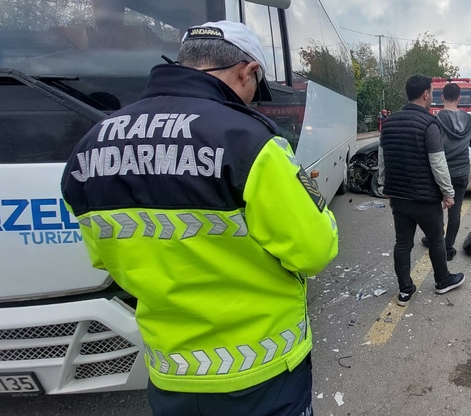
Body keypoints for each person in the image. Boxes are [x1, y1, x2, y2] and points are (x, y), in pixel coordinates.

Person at [61, 21, 338, 416]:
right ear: (247, 71)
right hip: (259, 373)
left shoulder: (91, 144)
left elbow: (105, 256)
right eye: (253, 90)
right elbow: (315, 251)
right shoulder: (249, 140)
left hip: (169, 372)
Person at [378, 75, 465, 306]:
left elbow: (383, 157)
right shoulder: (429, 123)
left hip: (399, 197)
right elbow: (438, 162)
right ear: (426, 94)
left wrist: (383, 184)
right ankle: (442, 280)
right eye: (432, 93)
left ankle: (405, 290)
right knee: (437, 240)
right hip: (425, 198)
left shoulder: (389, 123)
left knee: (403, 244)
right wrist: (448, 193)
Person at [421, 82, 471, 260]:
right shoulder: (470, 120)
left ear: (442, 97)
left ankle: (435, 240)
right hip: (462, 171)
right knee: (456, 210)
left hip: (441, 172)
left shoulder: (436, 120)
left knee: (437, 209)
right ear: (459, 98)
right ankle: (448, 248)